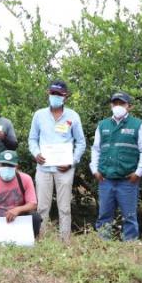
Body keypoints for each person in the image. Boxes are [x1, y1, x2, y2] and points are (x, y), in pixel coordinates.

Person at [28, 79, 86, 242]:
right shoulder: (39, 115)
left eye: (59, 94)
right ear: (48, 94)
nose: (55, 96)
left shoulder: (73, 116)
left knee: (65, 208)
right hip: (43, 168)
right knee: (42, 207)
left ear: (65, 96)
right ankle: (41, 240)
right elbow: (32, 139)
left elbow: (81, 142)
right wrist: (36, 153)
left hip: (65, 169)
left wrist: (72, 161)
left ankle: (65, 241)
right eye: (53, 93)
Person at [90, 92, 142, 241]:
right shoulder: (102, 125)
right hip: (106, 179)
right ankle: (103, 246)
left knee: (129, 217)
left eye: (121, 103)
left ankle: (129, 249)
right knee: (104, 215)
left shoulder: (139, 125)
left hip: (127, 180)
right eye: (115, 103)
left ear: (129, 106)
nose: (118, 106)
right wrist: (94, 170)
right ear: (111, 105)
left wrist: (138, 172)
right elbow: (96, 149)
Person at [0, 151, 41, 237]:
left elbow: (33, 204)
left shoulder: (26, 179)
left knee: (35, 217)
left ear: (16, 167)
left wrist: (17, 210)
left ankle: (35, 240)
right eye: (3, 165)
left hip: (19, 218)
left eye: (10, 165)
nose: (7, 168)